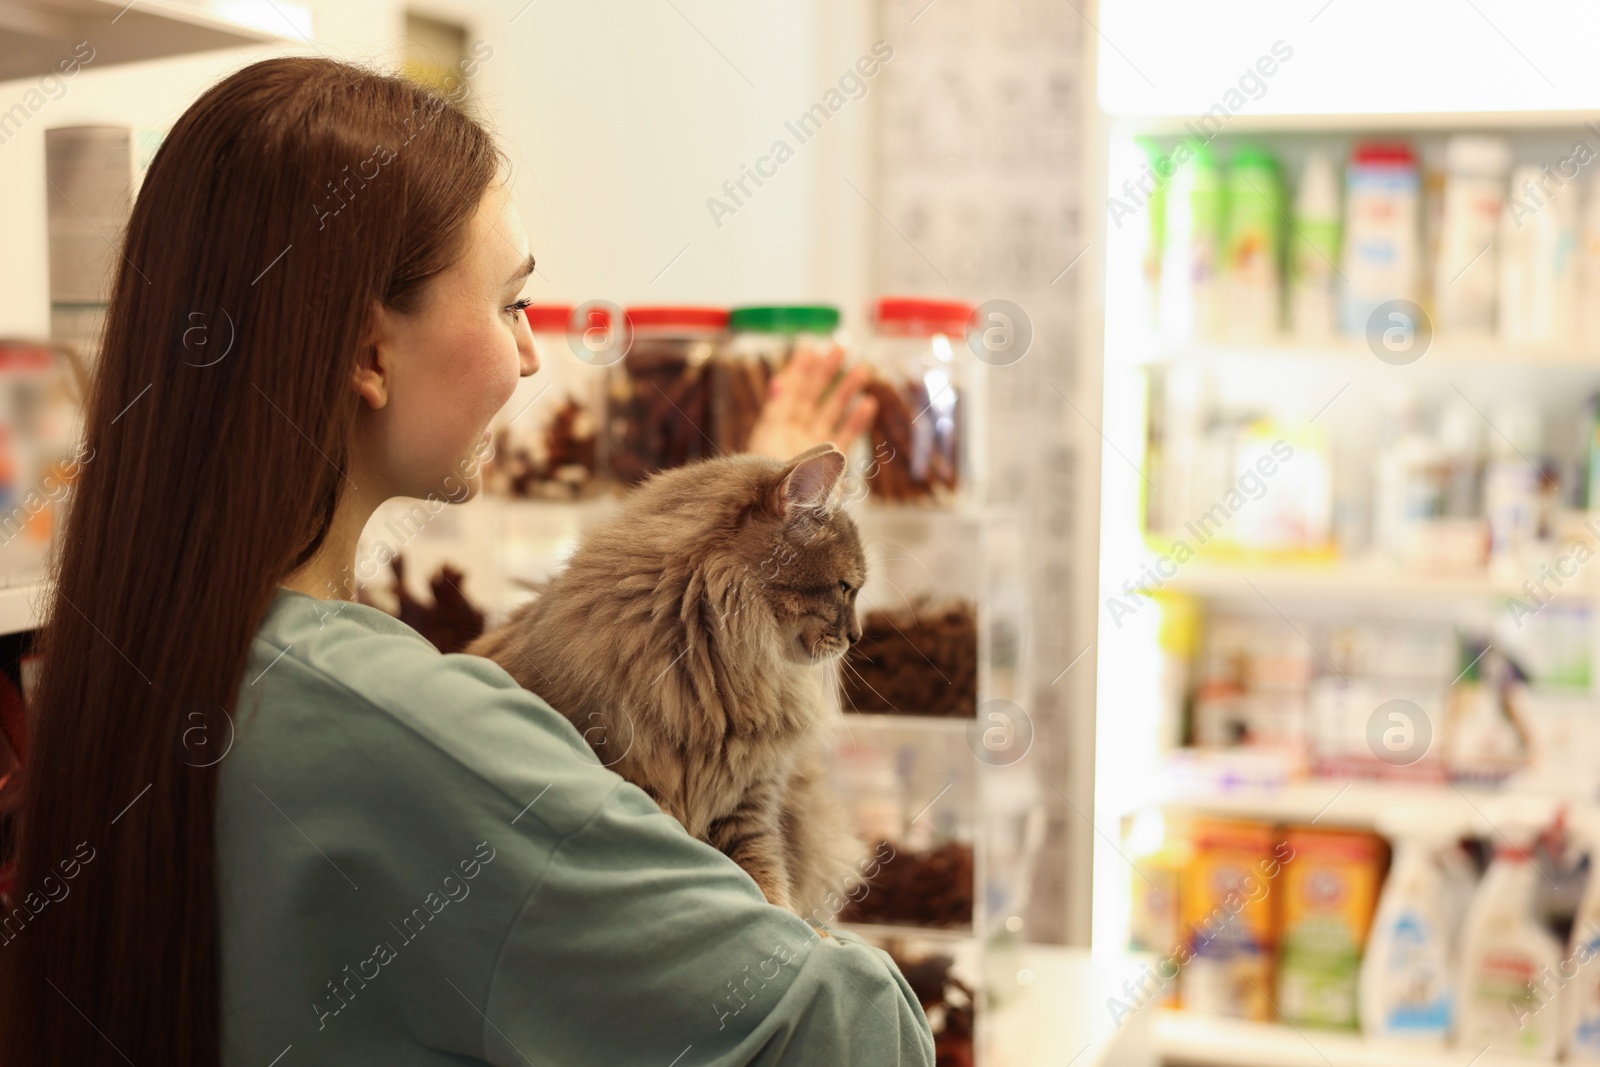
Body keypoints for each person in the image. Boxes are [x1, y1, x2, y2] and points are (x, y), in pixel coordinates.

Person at [1, 56, 933, 1067]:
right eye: (512, 304)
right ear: (368, 352)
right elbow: (849, 1030)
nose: (532, 356)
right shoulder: (408, 737)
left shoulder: (118, 663)